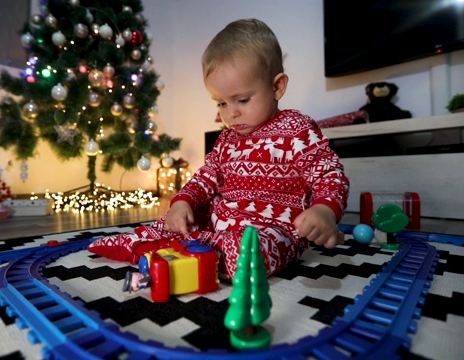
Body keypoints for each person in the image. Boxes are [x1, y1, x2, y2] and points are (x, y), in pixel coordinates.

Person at [88, 18, 349, 281]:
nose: (231, 113)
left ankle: (189, 252)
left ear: (277, 86)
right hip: (220, 222)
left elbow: (329, 174)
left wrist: (324, 210)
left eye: (242, 100)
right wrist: (182, 202)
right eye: (221, 103)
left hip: (275, 229)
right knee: (177, 219)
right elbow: (205, 177)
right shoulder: (227, 139)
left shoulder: (297, 130)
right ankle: (154, 243)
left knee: (253, 253)